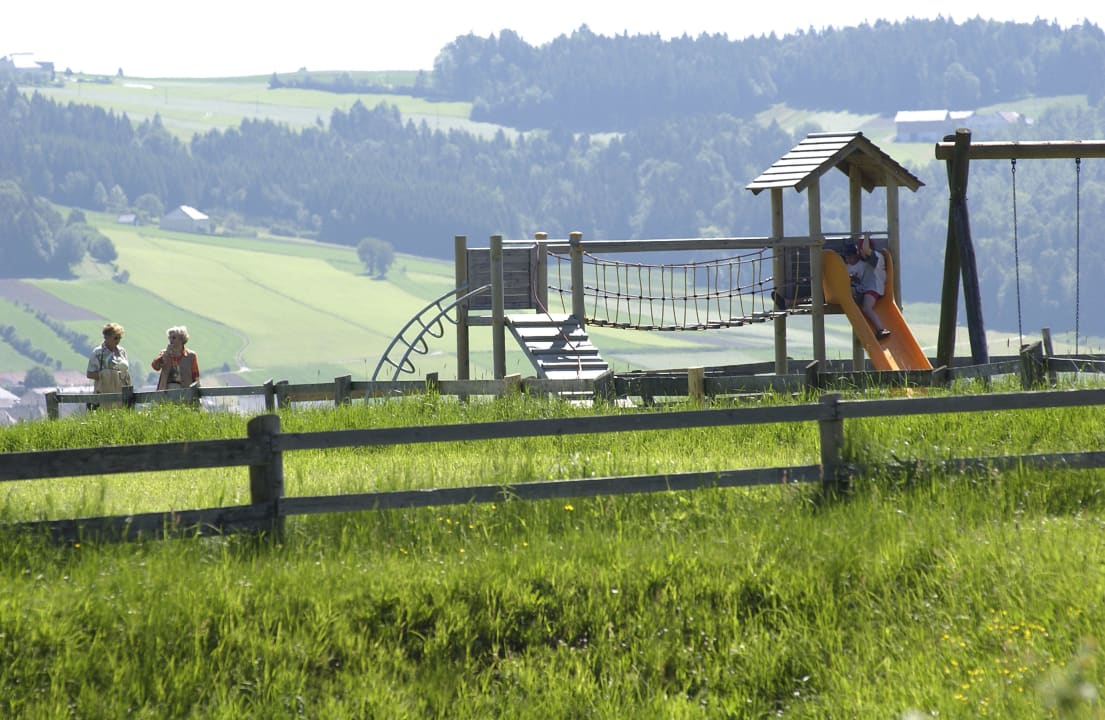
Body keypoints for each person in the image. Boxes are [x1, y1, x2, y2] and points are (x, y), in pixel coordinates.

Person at [843, 241, 891, 340]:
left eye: (852, 257)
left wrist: (866, 236)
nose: (849, 260)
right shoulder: (847, 266)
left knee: (866, 307)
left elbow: (866, 250)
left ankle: (881, 329)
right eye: (847, 258)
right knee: (854, 298)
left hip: (872, 288)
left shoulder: (872, 259)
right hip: (863, 289)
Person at [86, 322, 133, 409]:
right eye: (115, 338)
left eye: (120, 338)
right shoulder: (98, 353)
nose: (118, 341)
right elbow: (89, 374)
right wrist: (106, 374)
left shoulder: (122, 351)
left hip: (121, 394)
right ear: (106, 337)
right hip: (104, 394)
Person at [152, 325, 200, 390]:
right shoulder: (164, 353)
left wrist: (197, 390)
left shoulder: (191, 355)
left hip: (186, 391)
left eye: (174, 338)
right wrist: (164, 356)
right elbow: (155, 366)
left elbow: (196, 375)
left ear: (181, 339)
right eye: (169, 338)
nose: (171, 340)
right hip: (166, 391)